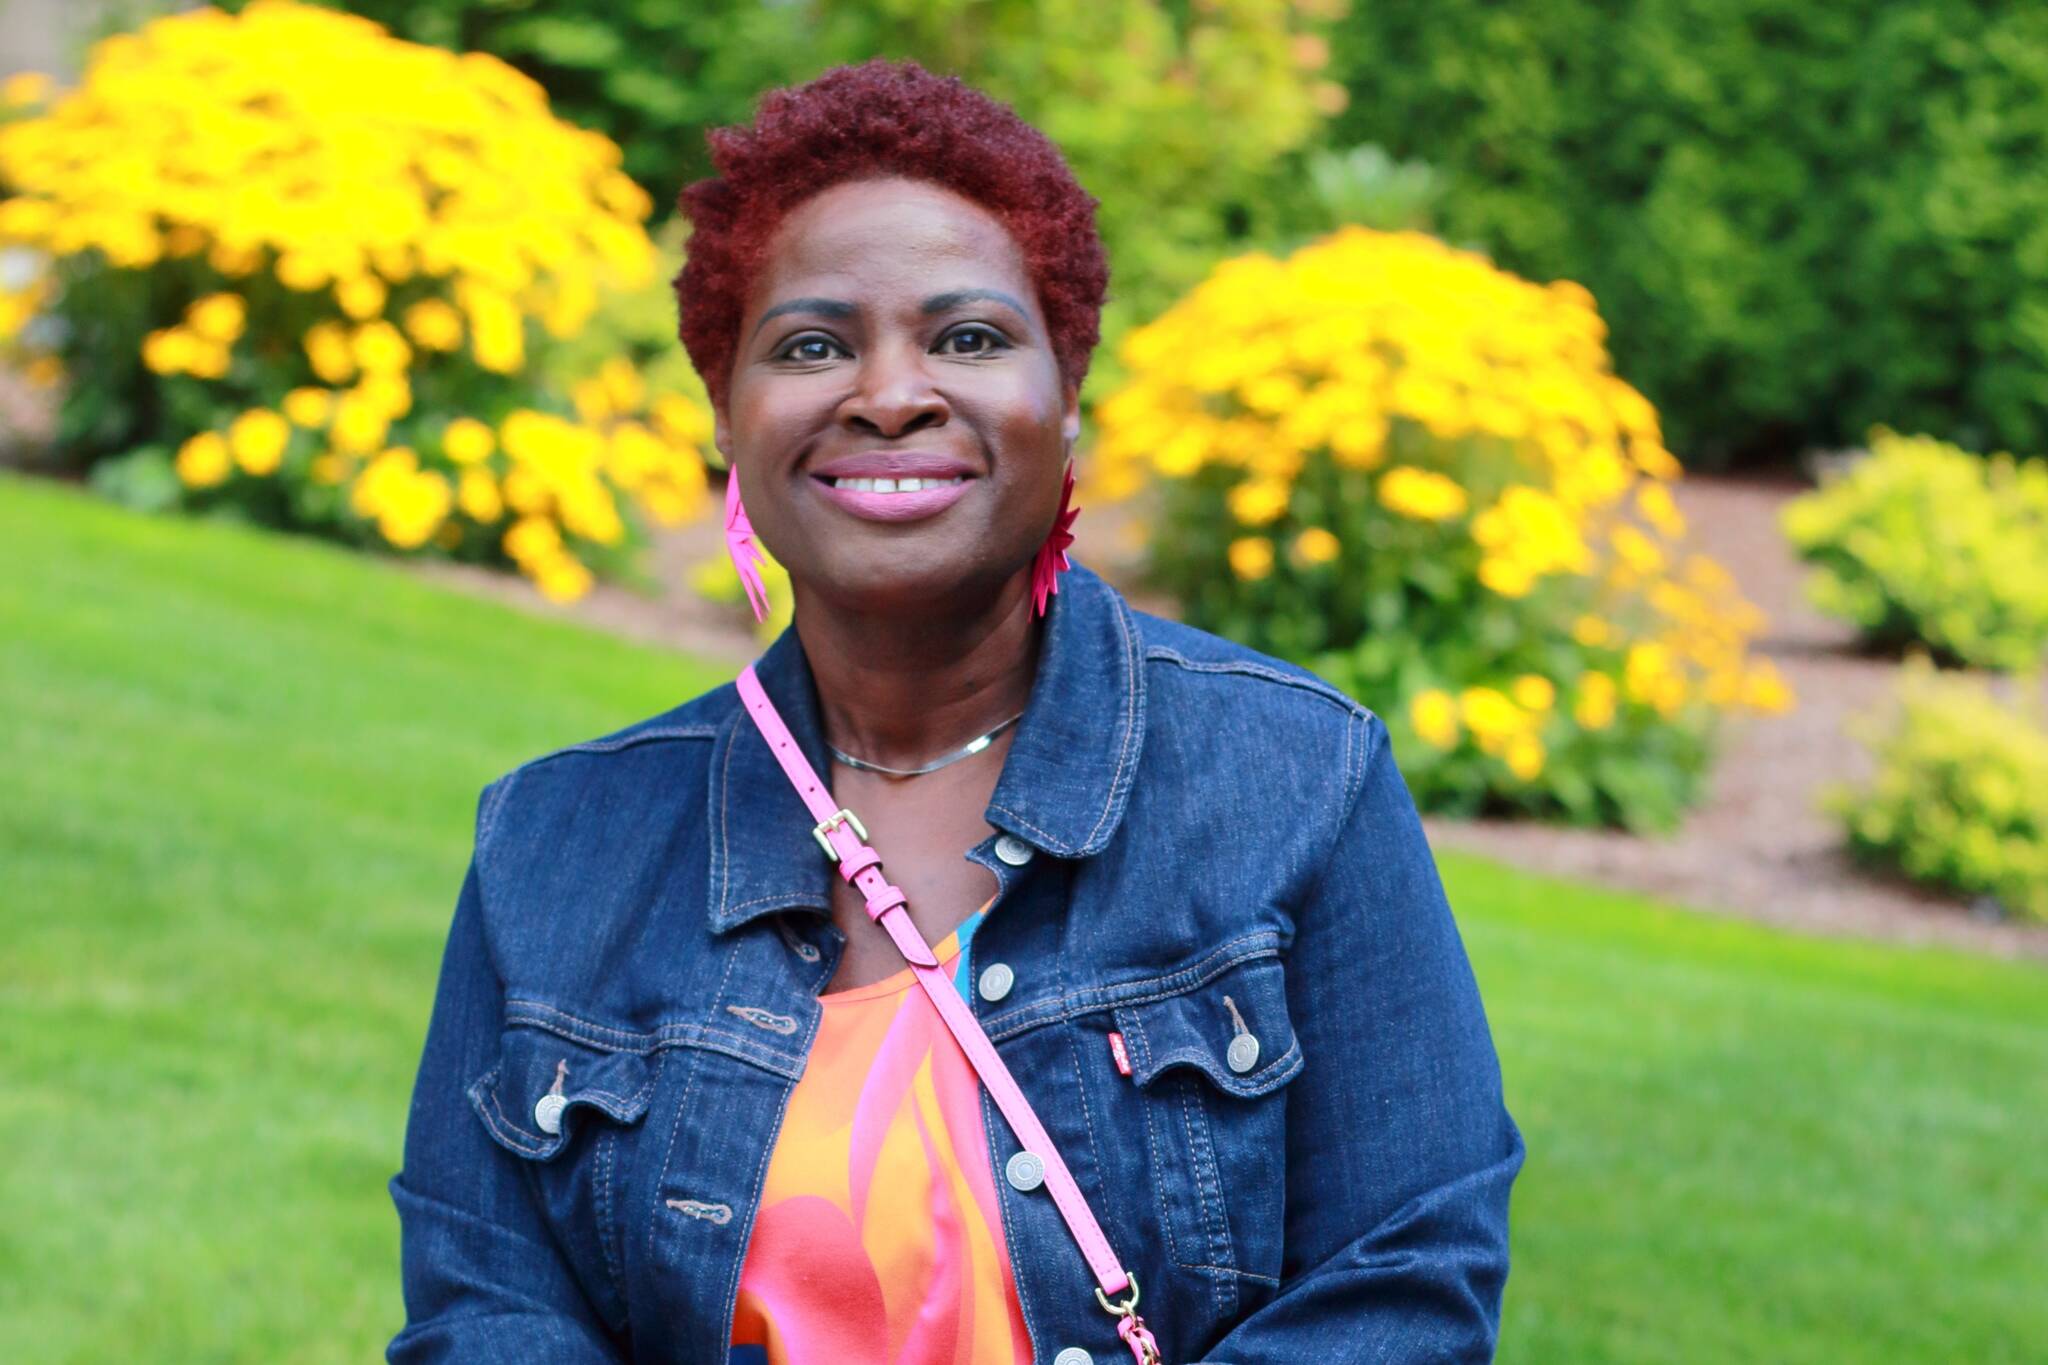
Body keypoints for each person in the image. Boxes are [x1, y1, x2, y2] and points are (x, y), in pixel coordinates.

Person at [388, 57, 1522, 1365]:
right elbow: (486, 1316)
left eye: (968, 337)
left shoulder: (1295, 782)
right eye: (812, 344)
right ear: (725, 413)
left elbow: (1404, 1289)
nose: (888, 392)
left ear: (1067, 389)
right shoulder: (554, 844)